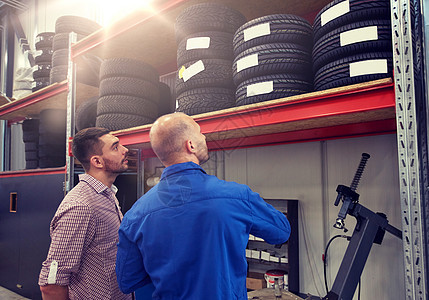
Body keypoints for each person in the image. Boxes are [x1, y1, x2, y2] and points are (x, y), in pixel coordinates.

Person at [116, 112, 291, 299]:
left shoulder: (135, 214)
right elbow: (281, 231)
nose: (204, 137)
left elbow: (127, 280)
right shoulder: (237, 196)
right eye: (200, 133)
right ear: (190, 145)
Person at [38, 127, 132, 300]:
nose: (125, 150)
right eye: (115, 147)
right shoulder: (81, 207)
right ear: (97, 161)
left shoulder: (107, 195)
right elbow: (52, 285)